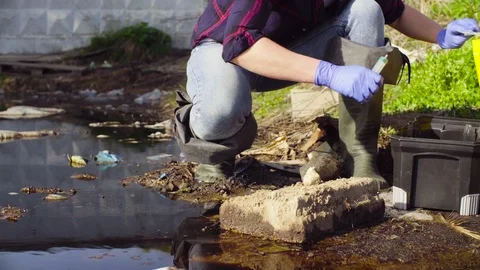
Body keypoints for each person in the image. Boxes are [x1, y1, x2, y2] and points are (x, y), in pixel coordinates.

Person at [174, 0, 479, 188]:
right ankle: (213, 149)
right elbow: (239, 44)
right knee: (222, 110)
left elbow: (395, 12)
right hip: (223, 50)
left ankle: (359, 156)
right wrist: (328, 73)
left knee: (366, 8)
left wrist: (440, 33)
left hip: (290, 49)